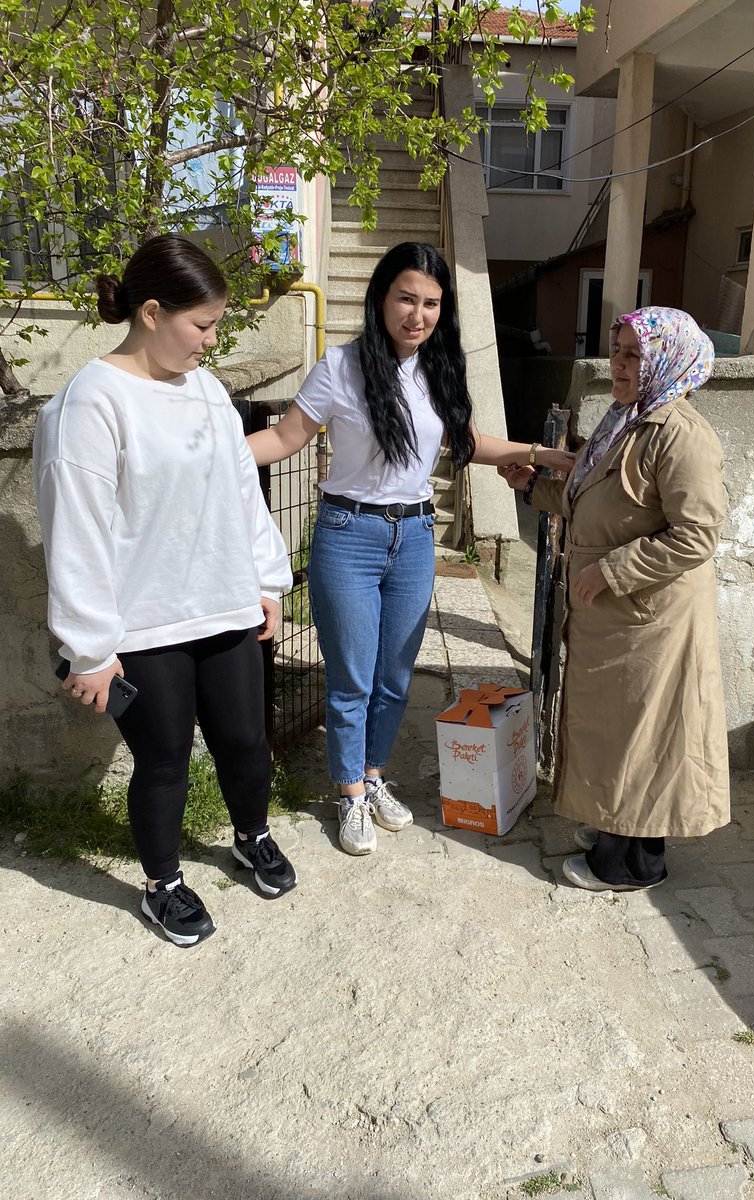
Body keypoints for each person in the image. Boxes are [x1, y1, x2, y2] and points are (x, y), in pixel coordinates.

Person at [248, 241, 574, 856]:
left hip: (415, 537)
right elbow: (287, 437)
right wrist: (211, 454)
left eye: (430, 303)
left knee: (394, 676)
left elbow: (466, 442)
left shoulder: (438, 370)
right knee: (351, 677)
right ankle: (347, 795)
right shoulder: (340, 368)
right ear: (381, 298)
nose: (417, 314)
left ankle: (372, 778)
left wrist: (538, 453)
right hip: (348, 536)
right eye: (405, 298)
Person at [33, 234, 297, 946]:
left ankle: (251, 835)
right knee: (164, 762)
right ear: (151, 312)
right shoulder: (89, 404)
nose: (211, 342)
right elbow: (76, 532)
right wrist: (89, 648)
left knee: (245, 742)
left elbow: (241, 491)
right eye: (202, 325)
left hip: (223, 604)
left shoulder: (207, 392)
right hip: (144, 626)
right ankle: (163, 885)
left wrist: (267, 578)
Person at [499, 306, 729, 892]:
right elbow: (595, 498)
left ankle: (629, 866)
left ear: (665, 361)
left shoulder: (680, 435)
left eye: (634, 354)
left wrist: (612, 571)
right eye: (618, 350)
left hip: (648, 618)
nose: (620, 365)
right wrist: (533, 486)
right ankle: (616, 833)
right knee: (621, 734)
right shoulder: (628, 419)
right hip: (618, 616)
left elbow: (697, 535)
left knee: (639, 737)